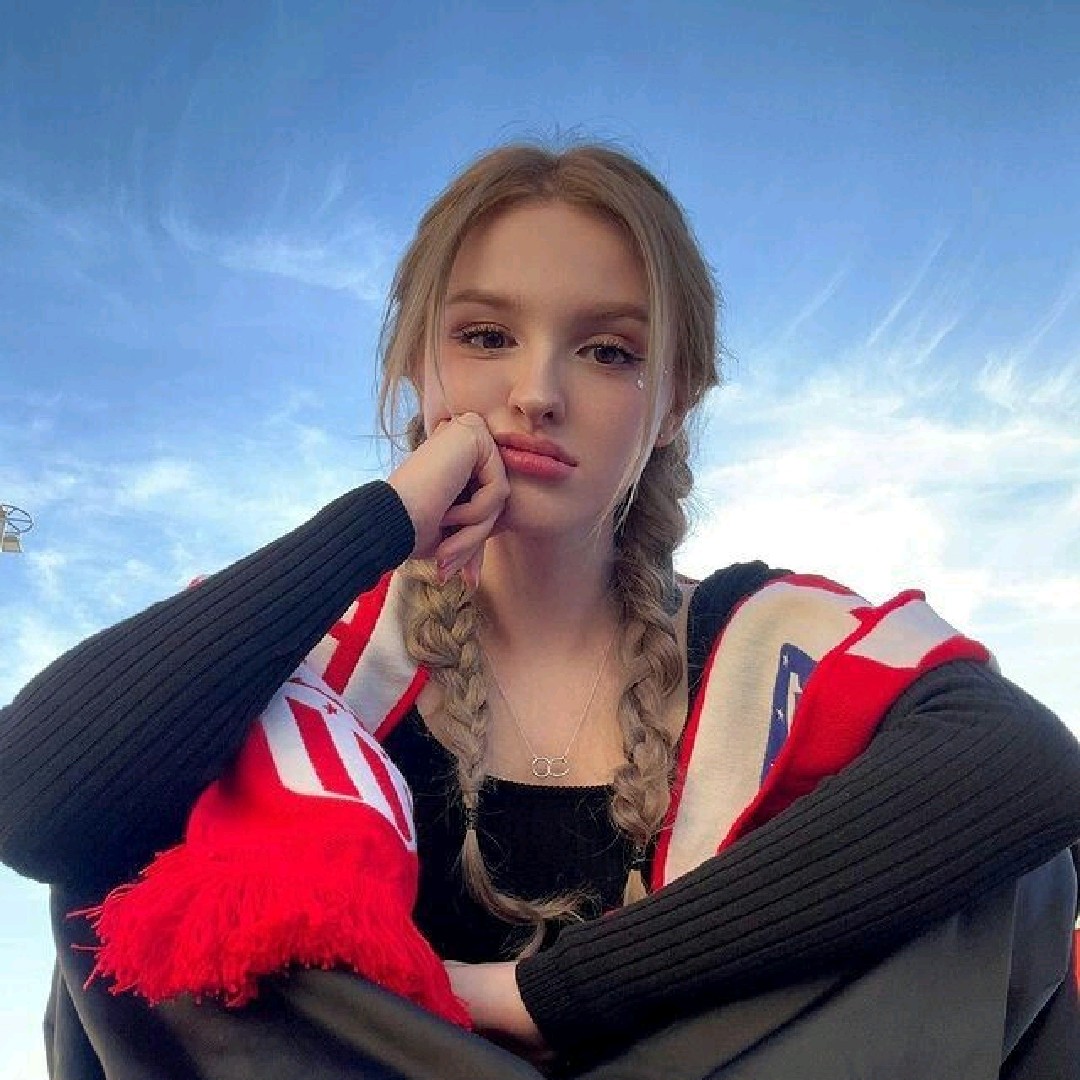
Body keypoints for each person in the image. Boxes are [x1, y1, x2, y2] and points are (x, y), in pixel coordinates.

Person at [2, 142, 1079, 1080]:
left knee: (1004, 880)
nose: (537, 392)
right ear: (415, 368)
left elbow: (1026, 763)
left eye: (608, 351)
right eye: (484, 337)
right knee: (125, 846)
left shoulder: (761, 640)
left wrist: (548, 996)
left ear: (675, 403)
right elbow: (35, 802)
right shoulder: (316, 651)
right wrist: (379, 522)